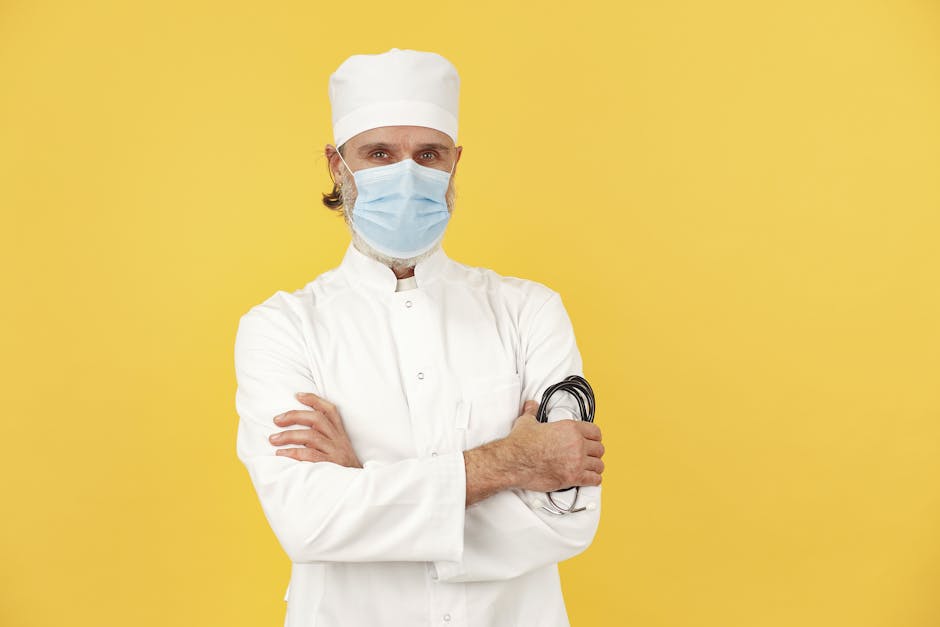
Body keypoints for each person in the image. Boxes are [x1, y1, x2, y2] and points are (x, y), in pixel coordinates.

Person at [234, 48, 605, 627]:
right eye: (379, 154)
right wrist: (512, 463)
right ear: (337, 166)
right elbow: (308, 522)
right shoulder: (281, 327)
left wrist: (365, 488)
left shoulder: (530, 311)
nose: (406, 175)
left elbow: (566, 518)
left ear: (454, 164)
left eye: (428, 154)